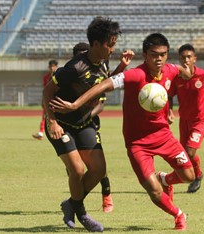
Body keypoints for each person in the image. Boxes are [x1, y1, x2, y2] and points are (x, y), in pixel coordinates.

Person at [48, 33, 196, 231]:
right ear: (145, 54)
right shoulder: (134, 75)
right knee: (153, 190)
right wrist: (75, 104)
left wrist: (188, 70)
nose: (158, 58)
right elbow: (103, 85)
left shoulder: (169, 70)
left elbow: (183, 72)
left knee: (189, 176)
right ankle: (178, 214)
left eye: (163, 54)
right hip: (138, 143)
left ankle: (165, 179)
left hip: (164, 136)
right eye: (154, 54)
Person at [42, 17, 134, 232]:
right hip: (62, 124)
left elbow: (102, 83)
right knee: (77, 169)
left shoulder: (103, 61)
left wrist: (122, 66)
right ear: (95, 44)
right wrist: (53, 122)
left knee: (99, 170)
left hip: (84, 122)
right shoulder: (74, 67)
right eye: (109, 44)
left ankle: (71, 204)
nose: (112, 49)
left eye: (113, 44)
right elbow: (47, 92)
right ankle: (81, 212)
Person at [168, 43, 204, 193]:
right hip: (184, 119)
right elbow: (169, 96)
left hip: (200, 119)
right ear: (179, 59)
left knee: (189, 152)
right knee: (184, 153)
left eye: (189, 57)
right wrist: (169, 112)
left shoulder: (203, 75)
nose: (186, 60)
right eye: (183, 57)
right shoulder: (176, 78)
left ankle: (196, 177)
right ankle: (197, 174)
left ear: (194, 59)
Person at [72, 42, 114, 213]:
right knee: (74, 169)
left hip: (89, 125)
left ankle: (106, 194)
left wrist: (86, 116)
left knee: (97, 168)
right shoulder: (70, 74)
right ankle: (77, 203)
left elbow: (101, 105)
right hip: (70, 127)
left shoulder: (96, 75)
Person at [32, 59, 58, 140]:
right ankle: (41, 133)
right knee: (45, 116)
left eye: (53, 66)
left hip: (57, 100)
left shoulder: (59, 75)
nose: (51, 68)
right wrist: (43, 100)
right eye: (50, 66)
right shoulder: (46, 77)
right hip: (48, 100)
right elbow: (45, 89)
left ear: (56, 67)